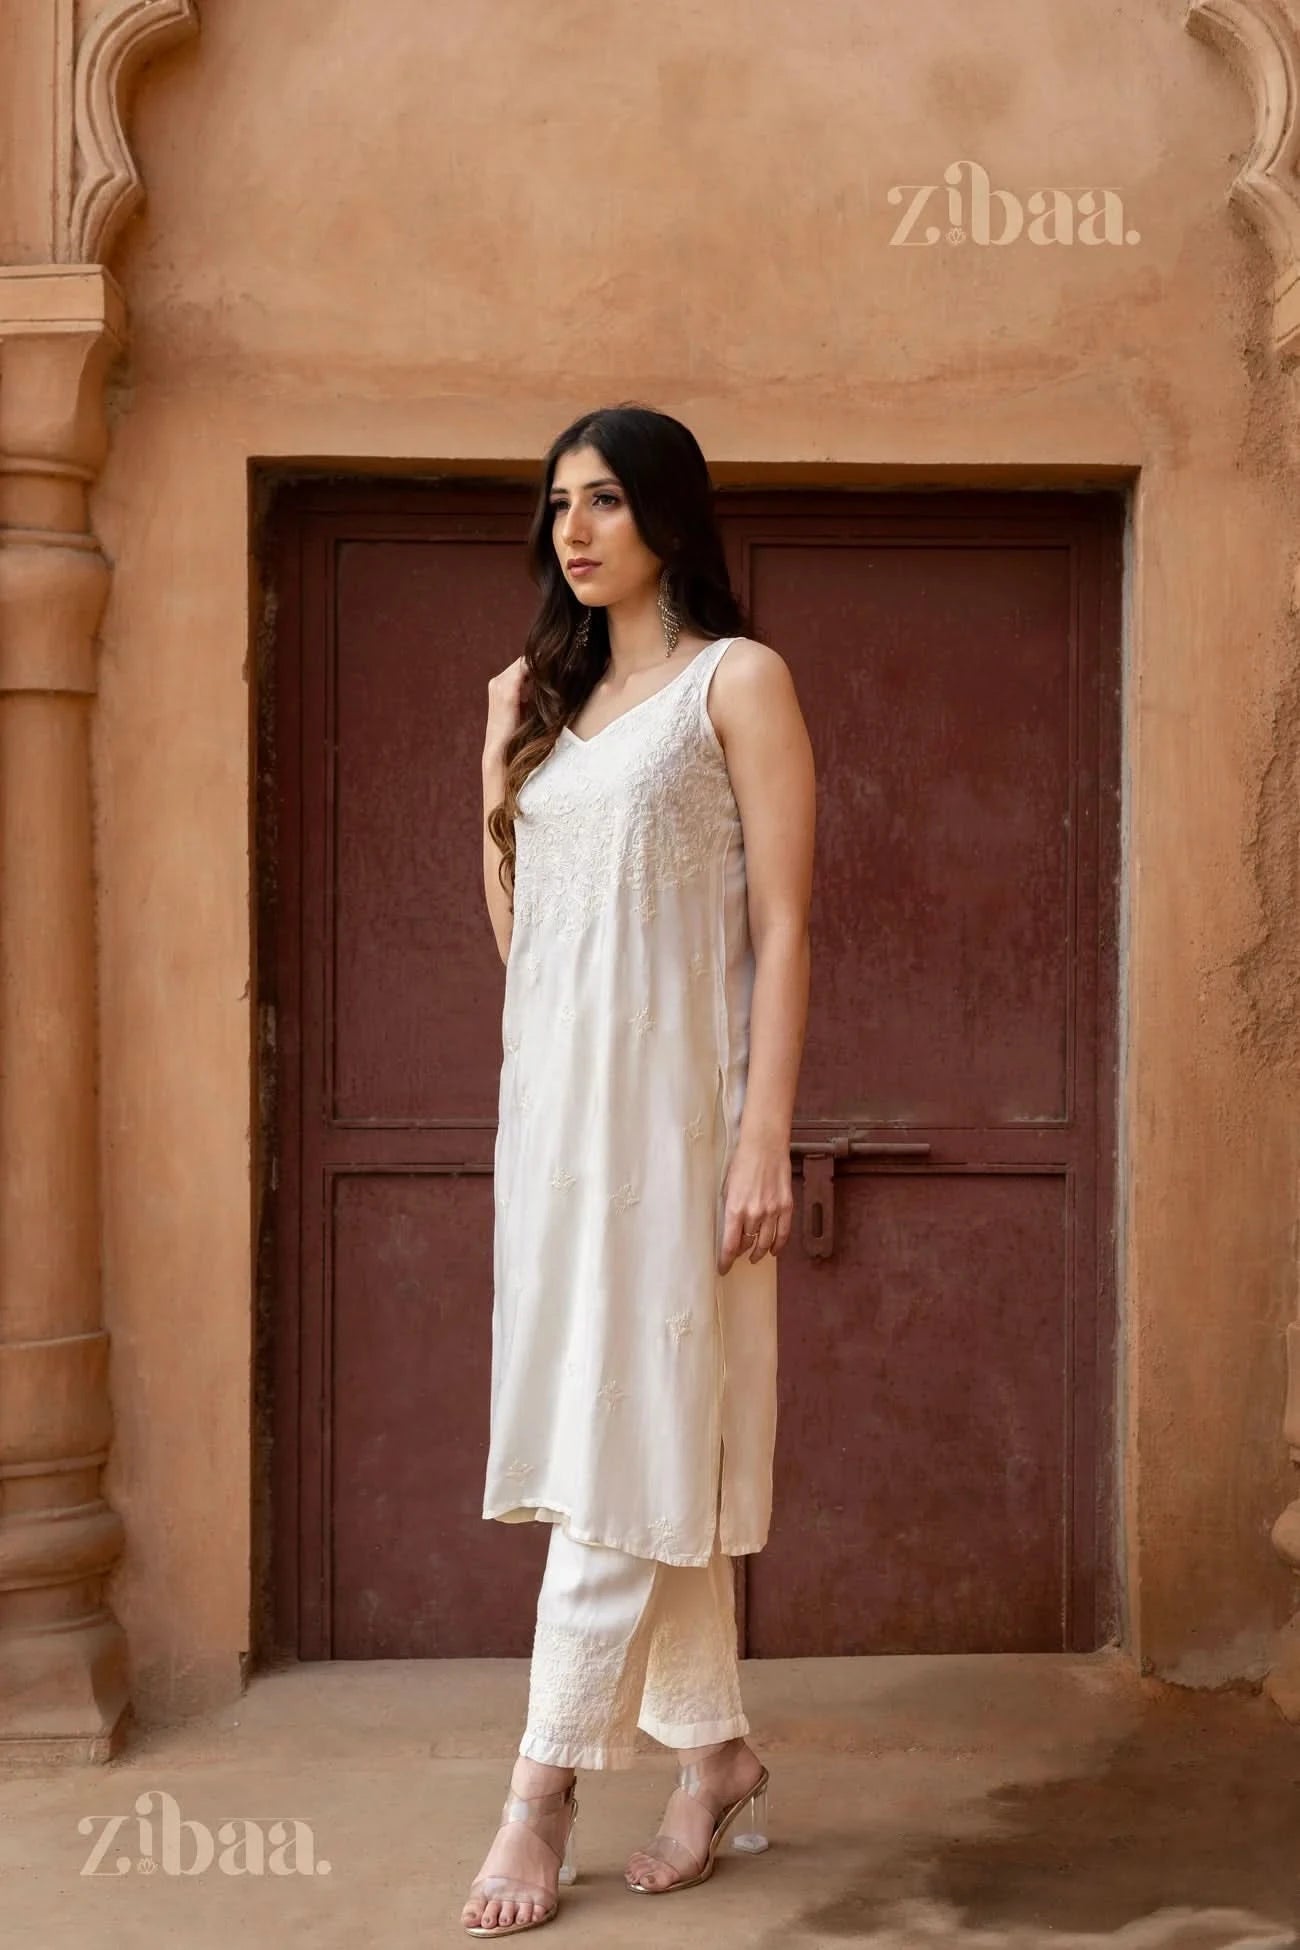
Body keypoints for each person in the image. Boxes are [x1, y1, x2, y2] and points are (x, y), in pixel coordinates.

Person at [464, 403, 815, 1937]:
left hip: (684, 1126)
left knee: (630, 1435)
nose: (576, 529)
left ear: (668, 512)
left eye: (605, 498)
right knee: (627, 1429)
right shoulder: (531, 700)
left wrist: (762, 1133)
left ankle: (538, 1789)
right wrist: (501, 750)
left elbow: (785, 925)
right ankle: (715, 1750)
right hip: (557, 1125)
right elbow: (524, 933)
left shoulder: (738, 682)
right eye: (559, 505)